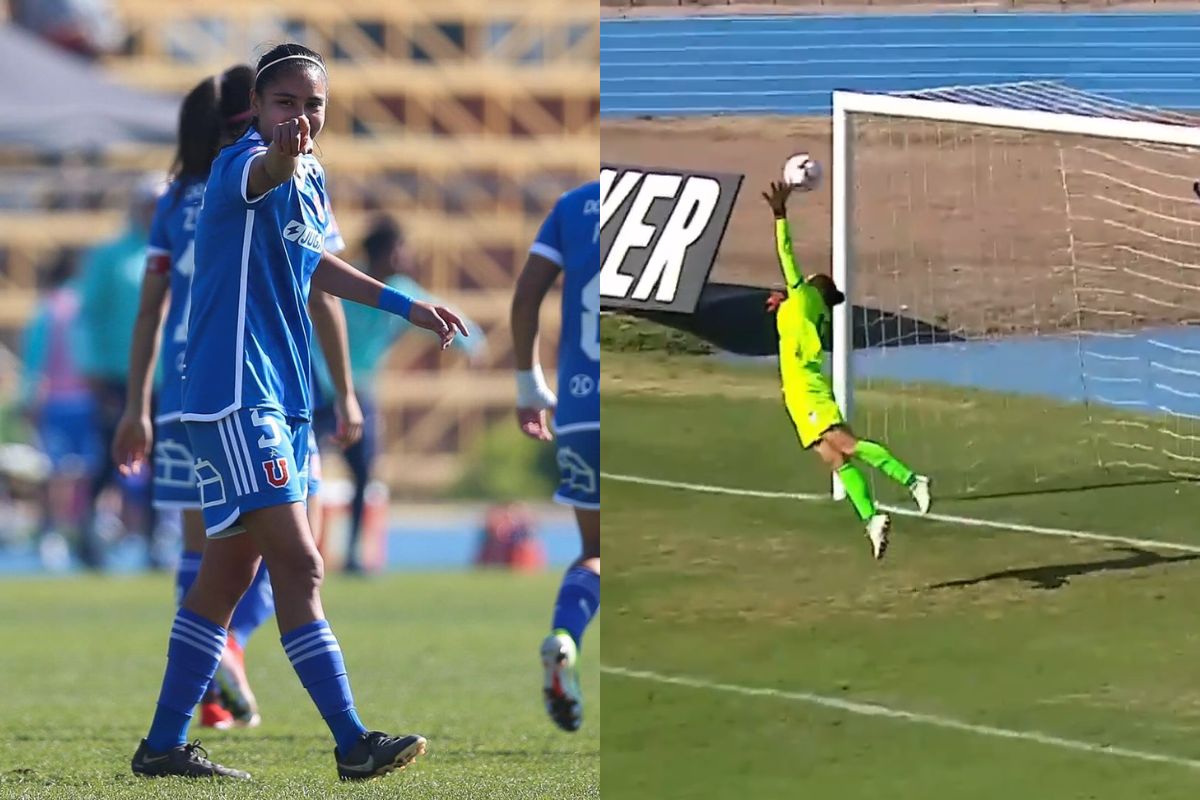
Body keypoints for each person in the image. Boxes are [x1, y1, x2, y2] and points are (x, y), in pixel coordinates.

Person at [127, 42, 466, 781]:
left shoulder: (309, 175)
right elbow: (267, 173)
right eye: (287, 103)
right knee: (303, 562)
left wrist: (408, 305)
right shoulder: (243, 164)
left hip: (278, 396)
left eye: (313, 105)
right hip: (237, 394)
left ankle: (161, 745)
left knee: (225, 578)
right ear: (258, 107)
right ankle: (352, 741)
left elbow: (313, 261)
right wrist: (280, 151)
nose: (301, 117)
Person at [762, 181, 931, 559]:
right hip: (800, 395)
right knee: (835, 458)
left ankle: (912, 479)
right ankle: (871, 519)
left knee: (847, 446)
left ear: (812, 288)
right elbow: (793, 300)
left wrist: (779, 214)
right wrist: (785, 300)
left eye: (807, 282)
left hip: (806, 392)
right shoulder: (804, 306)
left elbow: (786, 253)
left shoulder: (802, 297)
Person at [311, 215, 486, 572]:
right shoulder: (346, 280)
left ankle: (356, 553)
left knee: (363, 474)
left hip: (358, 393)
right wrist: (331, 385)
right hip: (318, 387)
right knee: (304, 471)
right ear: (384, 252)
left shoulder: (402, 289)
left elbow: (437, 311)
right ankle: (294, 551)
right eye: (400, 249)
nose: (406, 256)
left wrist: (472, 346)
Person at [511, 180, 599, 733]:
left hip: (582, 409)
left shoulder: (572, 207)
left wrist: (528, 386)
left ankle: (565, 637)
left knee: (595, 550)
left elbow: (525, 300)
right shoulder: (660, 195)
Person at [76, 173, 165, 569]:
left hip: (165, 376)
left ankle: (156, 539)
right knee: (113, 457)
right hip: (117, 374)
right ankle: (90, 533)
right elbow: (89, 315)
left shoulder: (181, 250)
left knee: (165, 461)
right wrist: (91, 366)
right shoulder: (111, 256)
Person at [20, 253, 99, 560]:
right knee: (84, 470)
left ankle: (53, 533)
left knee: (55, 470)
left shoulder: (48, 310)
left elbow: (35, 360)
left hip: (55, 401)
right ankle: (82, 529)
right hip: (86, 401)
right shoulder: (86, 307)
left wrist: (30, 400)